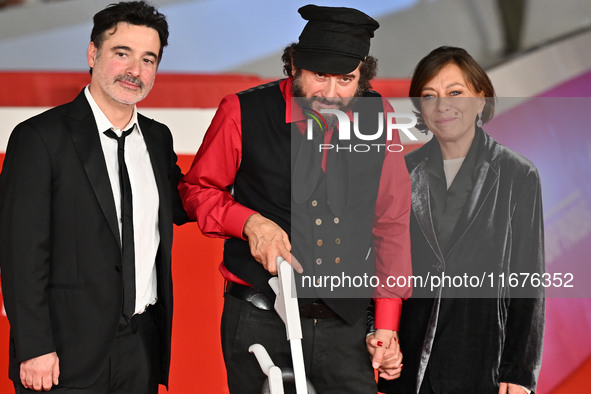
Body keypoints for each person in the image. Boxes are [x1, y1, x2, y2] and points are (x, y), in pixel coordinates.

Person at [179, 4, 412, 393]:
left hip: (347, 324)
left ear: (363, 77)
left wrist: (386, 323)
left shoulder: (379, 116)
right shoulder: (241, 111)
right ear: (293, 65)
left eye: (346, 79)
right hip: (260, 317)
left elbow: (391, 220)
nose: (331, 93)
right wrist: (249, 222)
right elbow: (195, 191)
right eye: (319, 75)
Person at [0, 1, 189, 392]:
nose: (135, 71)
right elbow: (21, 252)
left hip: (141, 346)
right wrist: (34, 347)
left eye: (148, 59)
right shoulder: (39, 138)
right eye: (122, 54)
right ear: (93, 53)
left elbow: (186, 202)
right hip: (62, 355)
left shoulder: (157, 138)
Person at [378, 46, 545, 394]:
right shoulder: (402, 173)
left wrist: (519, 372)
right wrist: (379, 336)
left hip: (483, 358)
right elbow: (380, 263)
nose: (443, 105)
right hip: (412, 360)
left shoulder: (518, 174)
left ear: (480, 100)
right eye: (429, 96)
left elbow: (529, 279)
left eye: (456, 92)